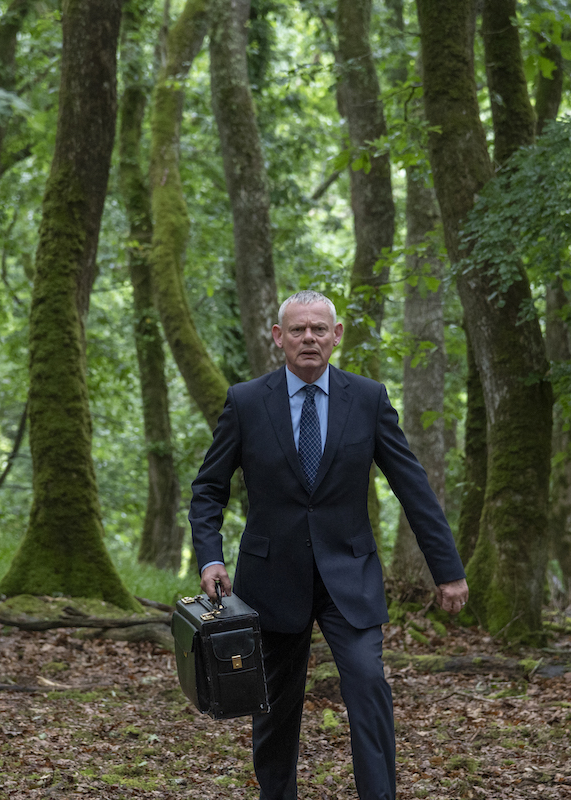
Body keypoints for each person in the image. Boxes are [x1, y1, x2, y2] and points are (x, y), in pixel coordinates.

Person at [189, 290, 468, 800]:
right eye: (298, 330)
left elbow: (413, 488)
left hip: (350, 577)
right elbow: (209, 488)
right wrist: (210, 556)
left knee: (367, 687)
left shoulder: (369, 398)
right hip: (271, 580)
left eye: (320, 328)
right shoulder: (247, 402)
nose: (309, 338)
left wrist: (447, 570)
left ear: (336, 336)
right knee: (273, 707)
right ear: (279, 338)